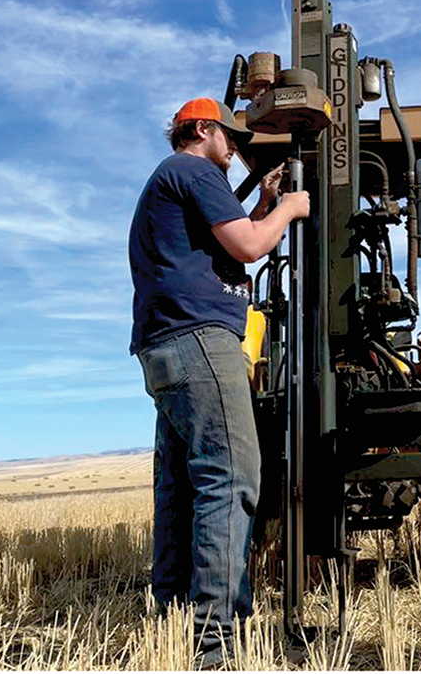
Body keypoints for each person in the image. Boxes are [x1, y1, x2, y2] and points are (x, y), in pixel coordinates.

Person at [128, 96, 310, 665]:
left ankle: (175, 614)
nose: (235, 148)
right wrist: (292, 209)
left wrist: (263, 203)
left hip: (166, 348)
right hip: (201, 340)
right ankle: (215, 642)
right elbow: (252, 246)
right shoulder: (194, 170)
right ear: (201, 129)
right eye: (230, 136)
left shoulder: (171, 181)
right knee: (232, 476)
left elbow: (228, 248)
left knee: (182, 484)